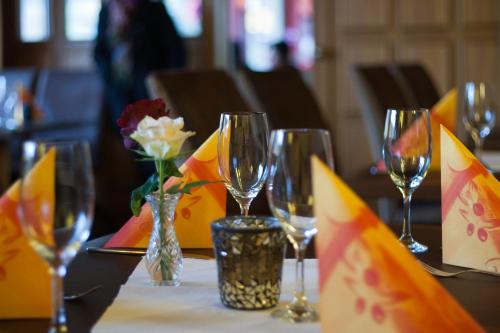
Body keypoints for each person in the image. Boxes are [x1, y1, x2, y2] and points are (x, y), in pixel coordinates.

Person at [94, 0, 186, 125]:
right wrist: (109, 79)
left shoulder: (155, 10)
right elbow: (100, 53)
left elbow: (176, 52)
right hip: (118, 92)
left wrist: (164, 83)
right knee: (125, 135)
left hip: (149, 91)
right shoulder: (106, 12)